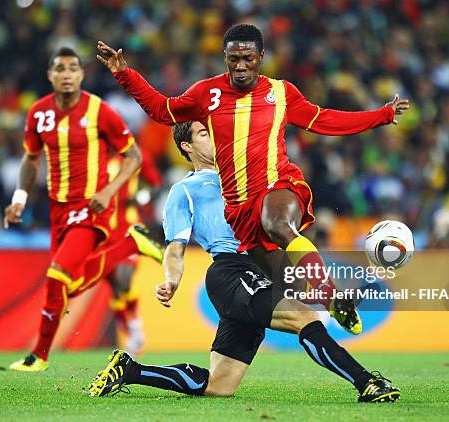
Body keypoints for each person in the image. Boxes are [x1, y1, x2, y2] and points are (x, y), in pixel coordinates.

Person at [96, 23, 410, 334]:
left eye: (248, 58)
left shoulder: (281, 92)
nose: (241, 66)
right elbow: (162, 110)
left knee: (277, 224)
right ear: (225, 57)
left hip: (279, 184)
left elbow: (323, 120)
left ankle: (333, 296)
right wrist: (125, 74)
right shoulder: (207, 93)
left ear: (261, 57)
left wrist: (380, 115)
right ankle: (331, 308)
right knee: (287, 288)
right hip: (240, 209)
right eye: (234, 59)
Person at [87, 122, 400, 402]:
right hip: (231, 270)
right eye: (204, 133)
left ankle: (131, 370)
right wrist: (171, 280)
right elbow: (175, 248)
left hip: (259, 268)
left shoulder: (246, 174)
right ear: (187, 146)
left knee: (219, 385)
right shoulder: (185, 190)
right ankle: (367, 383)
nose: (215, 136)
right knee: (303, 317)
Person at [4, 47, 162, 372]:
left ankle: (39, 356)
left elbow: (134, 157)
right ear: (50, 75)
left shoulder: (99, 111)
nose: (66, 74)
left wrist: (108, 191)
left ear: (81, 75)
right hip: (58, 212)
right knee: (64, 288)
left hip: (92, 207)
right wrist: (19, 198)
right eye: (60, 69)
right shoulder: (38, 113)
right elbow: (31, 159)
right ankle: (133, 243)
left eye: (73, 69)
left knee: (56, 278)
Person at [105, 147, 163, 356]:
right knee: (115, 287)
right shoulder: (96, 157)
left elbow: (155, 183)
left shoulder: (138, 156)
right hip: (103, 232)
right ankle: (132, 334)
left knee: (124, 277)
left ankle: (136, 330)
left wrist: (141, 197)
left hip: (129, 229)